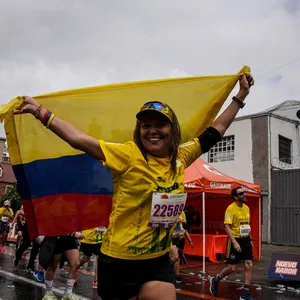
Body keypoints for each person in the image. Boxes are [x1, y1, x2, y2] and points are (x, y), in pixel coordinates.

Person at [16, 73, 253, 300]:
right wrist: (40, 111)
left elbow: (216, 131)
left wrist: (240, 96)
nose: (153, 131)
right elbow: (78, 139)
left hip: (158, 260)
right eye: (146, 125)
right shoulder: (128, 155)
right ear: (139, 131)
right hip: (120, 261)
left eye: (160, 124)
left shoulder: (180, 156)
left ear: (172, 130)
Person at [209, 186, 255, 300]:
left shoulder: (247, 208)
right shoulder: (230, 209)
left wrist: (251, 239)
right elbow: (226, 226)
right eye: (241, 193)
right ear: (235, 197)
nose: (244, 195)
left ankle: (245, 294)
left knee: (249, 264)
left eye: (244, 192)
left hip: (246, 240)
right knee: (232, 268)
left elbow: (246, 225)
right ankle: (216, 279)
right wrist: (234, 242)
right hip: (235, 239)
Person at [38, 233, 83, 300]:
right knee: (52, 266)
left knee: (76, 264)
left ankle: (68, 293)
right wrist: (40, 236)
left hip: (69, 237)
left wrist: (75, 232)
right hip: (55, 238)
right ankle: (48, 293)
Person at [170, 210, 194, 283]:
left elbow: (184, 228)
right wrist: (176, 222)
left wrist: (190, 241)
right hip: (171, 237)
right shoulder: (170, 210)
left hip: (179, 238)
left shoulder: (182, 212)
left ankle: (176, 275)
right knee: (175, 257)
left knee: (178, 258)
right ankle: (168, 274)